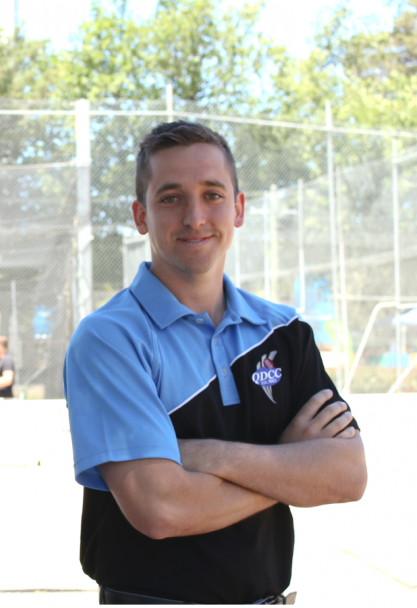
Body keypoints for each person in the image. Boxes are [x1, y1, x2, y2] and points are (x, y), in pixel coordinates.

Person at [63, 121, 367, 605]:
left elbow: (348, 475)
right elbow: (160, 508)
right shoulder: (110, 339)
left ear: (238, 208)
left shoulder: (284, 331)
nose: (195, 216)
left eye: (212, 195)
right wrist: (287, 463)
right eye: (171, 198)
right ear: (141, 216)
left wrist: (205, 455)